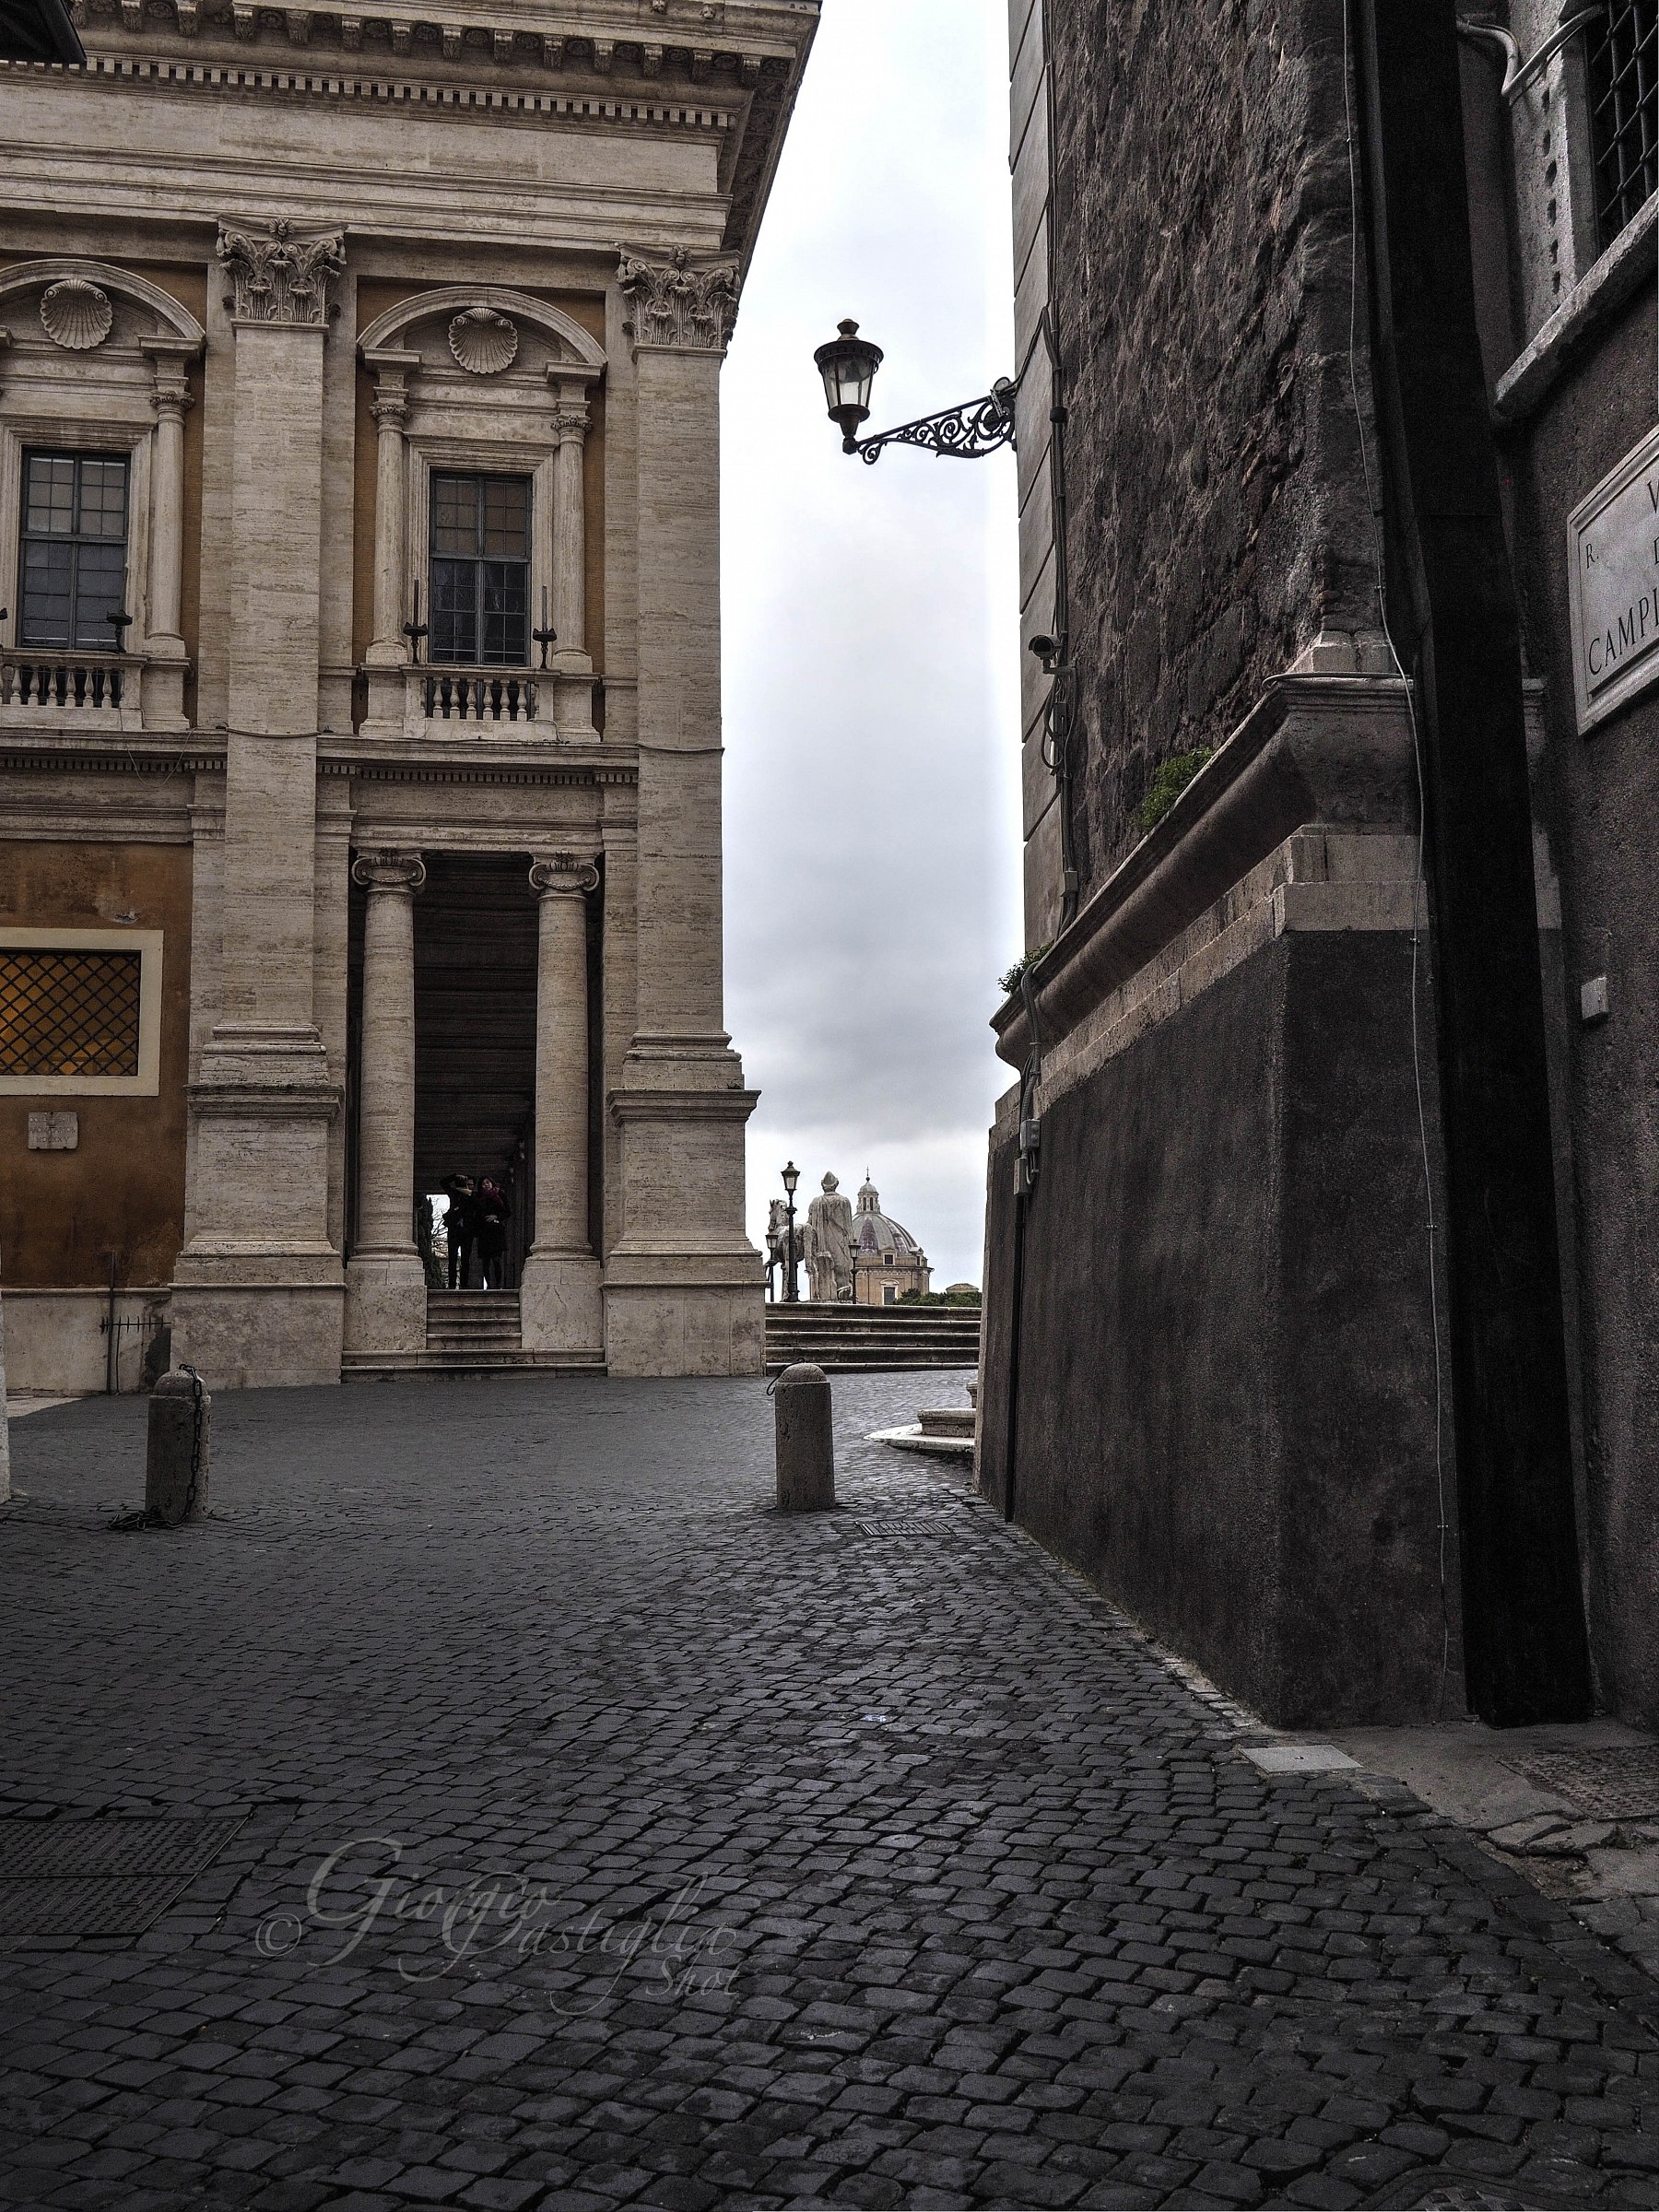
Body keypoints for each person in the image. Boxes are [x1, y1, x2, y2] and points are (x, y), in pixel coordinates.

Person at [442, 1174, 477, 1290]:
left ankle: (464, 1284)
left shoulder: (473, 1196)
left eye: (469, 1184)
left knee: (466, 1259)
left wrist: (469, 1193)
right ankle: (452, 1285)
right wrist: (454, 1176)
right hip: (454, 1229)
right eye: (464, 1183)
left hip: (468, 1230)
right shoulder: (454, 1193)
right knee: (452, 1258)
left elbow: (478, 1206)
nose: (466, 1186)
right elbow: (443, 1182)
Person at [476, 1178, 512, 1290]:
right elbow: (476, 1214)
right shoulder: (479, 1197)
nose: (485, 1185)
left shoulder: (500, 1194)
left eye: (487, 1182)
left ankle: (499, 1284)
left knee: (497, 1260)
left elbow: (508, 1212)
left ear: (492, 1183)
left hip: (497, 1232)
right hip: (484, 1232)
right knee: (485, 1261)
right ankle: (489, 1285)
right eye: (483, 1184)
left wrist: (496, 1217)